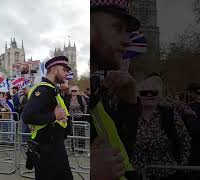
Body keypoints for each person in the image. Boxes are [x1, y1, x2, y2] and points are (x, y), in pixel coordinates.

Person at [91, 0, 141, 179]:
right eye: (117, 28)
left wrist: (130, 102)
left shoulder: (98, 94)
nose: (127, 41)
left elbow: (123, 155)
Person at [22, 56, 73, 180]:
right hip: (47, 152)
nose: (67, 73)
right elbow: (26, 116)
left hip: (55, 148)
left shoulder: (52, 90)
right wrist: (54, 116)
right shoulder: (43, 90)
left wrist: (67, 95)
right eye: (64, 70)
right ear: (54, 70)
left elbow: (61, 112)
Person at [131, 74, 191, 179]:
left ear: (159, 95)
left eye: (153, 92)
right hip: (139, 175)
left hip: (168, 175)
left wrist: (183, 164)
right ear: (139, 95)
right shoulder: (131, 116)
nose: (149, 95)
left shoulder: (169, 115)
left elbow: (184, 138)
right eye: (144, 93)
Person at [64, 86, 88, 150]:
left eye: (75, 91)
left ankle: (81, 148)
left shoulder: (80, 98)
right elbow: (65, 106)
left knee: (80, 133)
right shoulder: (68, 98)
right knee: (72, 133)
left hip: (79, 117)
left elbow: (85, 105)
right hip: (70, 118)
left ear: (77, 91)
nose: (74, 92)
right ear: (70, 91)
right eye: (72, 91)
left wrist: (84, 114)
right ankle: (73, 147)